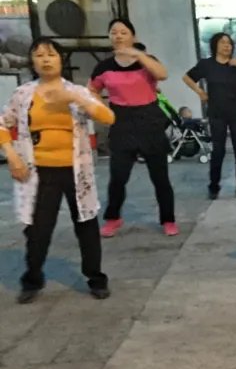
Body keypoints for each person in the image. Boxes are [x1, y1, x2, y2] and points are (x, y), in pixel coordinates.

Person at [1, 37, 114, 304]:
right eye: (39, 55)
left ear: (61, 60)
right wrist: (12, 156)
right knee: (38, 229)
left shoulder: (75, 91)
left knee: (86, 224)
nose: (45, 59)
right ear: (33, 62)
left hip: (77, 170)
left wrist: (76, 98)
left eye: (51, 54)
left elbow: (108, 117)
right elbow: (3, 125)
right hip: (39, 172)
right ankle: (32, 278)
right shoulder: (23, 94)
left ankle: (95, 278)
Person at [89, 18, 177, 238]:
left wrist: (138, 55)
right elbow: (91, 90)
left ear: (133, 36)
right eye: (114, 32)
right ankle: (113, 217)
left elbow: (162, 74)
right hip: (122, 121)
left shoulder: (146, 61)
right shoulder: (104, 67)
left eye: (123, 32)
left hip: (149, 120)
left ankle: (168, 219)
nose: (118, 36)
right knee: (118, 176)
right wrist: (102, 111)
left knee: (160, 177)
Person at [182, 32, 236, 200]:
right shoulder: (207, 64)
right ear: (215, 45)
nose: (227, 46)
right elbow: (187, 77)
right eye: (223, 42)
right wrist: (200, 92)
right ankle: (214, 185)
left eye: (229, 43)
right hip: (217, 113)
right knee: (218, 151)